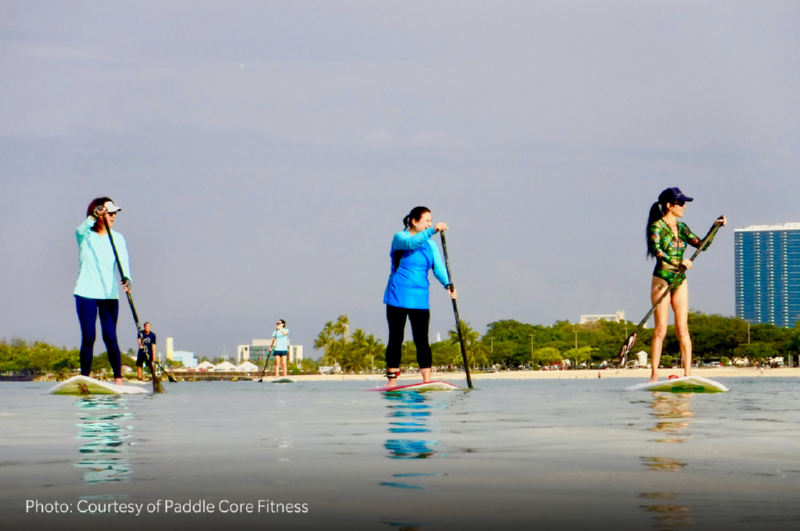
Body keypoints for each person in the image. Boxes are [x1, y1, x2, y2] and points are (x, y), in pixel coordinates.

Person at [646, 188, 726, 382]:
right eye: (680, 203)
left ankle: (688, 374)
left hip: (680, 280)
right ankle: (654, 374)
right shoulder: (656, 227)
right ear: (669, 205)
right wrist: (678, 263)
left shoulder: (682, 228)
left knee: (683, 329)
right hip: (662, 279)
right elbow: (657, 251)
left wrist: (714, 228)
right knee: (661, 329)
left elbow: (702, 245)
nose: (684, 207)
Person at [383, 206, 457, 387]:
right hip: (397, 296)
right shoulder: (400, 238)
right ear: (414, 221)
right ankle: (392, 382)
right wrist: (433, 230)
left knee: (422, 339)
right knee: (396, 338)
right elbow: (411, 244)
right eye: (427, 221)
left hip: (420, 299)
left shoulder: (430, 245)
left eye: (431, 221)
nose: (430, 224)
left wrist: (448, 284)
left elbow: (438, 268)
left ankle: (427, 381)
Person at [74, 197, 131, 385]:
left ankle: (118, 379)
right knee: (89, 336)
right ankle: (85, 378)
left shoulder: (118, 238)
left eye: (115, 213)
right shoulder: (85, 235)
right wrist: (93, 215)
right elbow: (80, 229)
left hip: (109, 295)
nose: (114, 216)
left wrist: (127, 279)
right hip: (86, 294)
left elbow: (123, 264)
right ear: (99, 213)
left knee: (110, 337)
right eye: (110, 212)